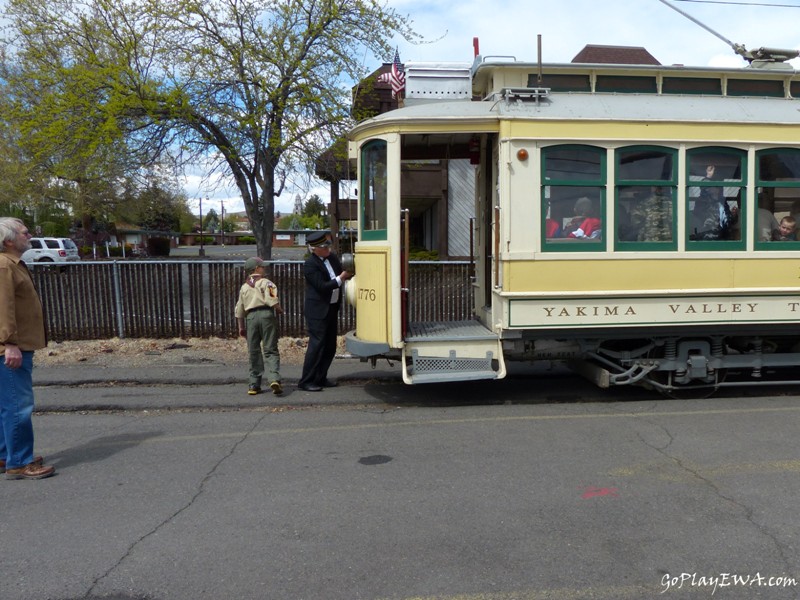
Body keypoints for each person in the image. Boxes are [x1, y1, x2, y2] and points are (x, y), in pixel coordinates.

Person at [0, 218, 55, 480]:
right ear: (8, 240)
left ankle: (5, 454)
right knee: (17, 405)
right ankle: (20, 462)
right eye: (25, 232)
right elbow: (3, 309)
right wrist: (9, 343)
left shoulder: (11, 264)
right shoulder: (4, 266)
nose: (29, 235)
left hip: (14, 345)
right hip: (11, 348)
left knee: (7, 404)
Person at [298, 231, 352, 392]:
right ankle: (306, 381)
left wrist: (346, 274)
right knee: (316, 346)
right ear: (314, 249)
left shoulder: (332, 258)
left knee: (330, 346)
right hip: (317, 311)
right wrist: (341, 278)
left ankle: (320, 377)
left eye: (328, 245)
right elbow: (322, 286)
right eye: (324, 247)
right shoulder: (310, 265)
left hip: (331, 307)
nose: (328, 249)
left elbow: (342, 272)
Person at [234, 256, 283, 395]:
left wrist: (241, 327)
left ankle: (254, 384)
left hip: (251, 317)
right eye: (262, 266)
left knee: (253, 350)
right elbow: (272, 300)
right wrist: (279, 309)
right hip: (266, 315)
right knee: (270, 349)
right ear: (256, 269)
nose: (264, 268)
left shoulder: (244, 287)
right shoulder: (268, 283)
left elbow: (239, 309)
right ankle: (274, 378)